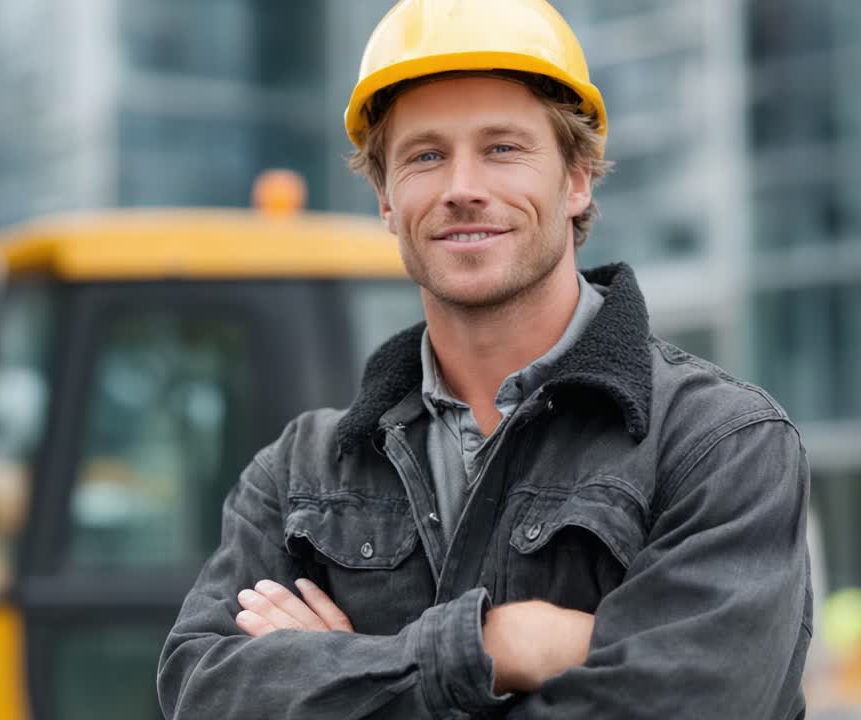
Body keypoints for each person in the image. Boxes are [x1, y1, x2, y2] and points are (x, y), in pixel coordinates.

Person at [157, 0, 812, 717]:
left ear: (578, 178)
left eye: (502, 148)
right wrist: (496, 647)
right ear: (385, 195)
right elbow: (204, 690)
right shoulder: (298, 476)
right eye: (426, 156)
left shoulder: (718, 447)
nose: (463, 188)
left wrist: (343, 671)